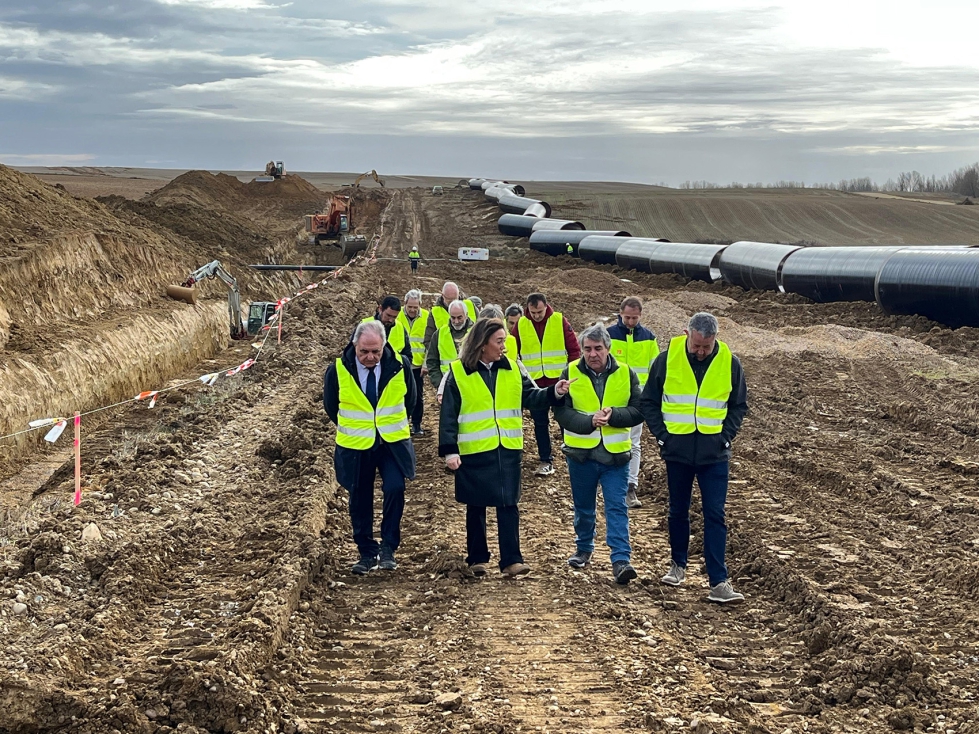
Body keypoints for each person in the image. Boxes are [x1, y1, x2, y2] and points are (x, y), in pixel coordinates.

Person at [439, 318, 572, 576]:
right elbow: (448, 415)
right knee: (475, 506)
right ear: (482, 343)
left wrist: (554, 392)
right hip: (473, 449)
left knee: (508, 503)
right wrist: (449, 450)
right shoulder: (457, 372)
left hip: (507, 447)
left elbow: (530, 397)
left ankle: (512, 561)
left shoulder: (513, 368)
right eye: (499, 341)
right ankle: (477, 560)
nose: (504, 347)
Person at [640, 312, 748, 604]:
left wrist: (726, 436)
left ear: (715, 339)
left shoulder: (730, 362)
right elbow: (648, 400)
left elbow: (739, 405)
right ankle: (678, 565)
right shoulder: (666, 359)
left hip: (715, 454)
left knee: (715, 514)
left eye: (706, 347)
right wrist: (663, 435)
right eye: (697, 345)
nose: (701, 351)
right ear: (686, 334)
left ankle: (718, 581)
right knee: (678, 510)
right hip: (678, 450)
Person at [554, 323, 645, 584]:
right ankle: (583, 548)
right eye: (587, 349)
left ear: (608, 348)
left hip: (615, 457)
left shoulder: (626, 374)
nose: (592, 354)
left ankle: (620, 559)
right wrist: (588, 422)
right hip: (581, 455)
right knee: (584, 507)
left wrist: (614, 415)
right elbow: (561, 411)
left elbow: (638, 410)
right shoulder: (570, 372)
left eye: (598, 349)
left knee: (617, 507)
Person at [324, 320, 416, 575]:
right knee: (359, 497)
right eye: (364, 351)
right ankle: (366, 552)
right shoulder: (339, 369)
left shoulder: (399, 366)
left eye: (376, 351)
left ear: (384, 345)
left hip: (392, 443)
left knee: (395, 488)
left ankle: (388, 548)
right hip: (356, 445)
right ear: (355, 345)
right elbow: (332, 406)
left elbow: (411, 400)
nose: (370, 357)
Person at [512, 292, 581, 476]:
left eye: (539, 312)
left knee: (565, 420)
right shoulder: (521, 324)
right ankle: (545, 460)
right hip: (535, 385)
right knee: (540, 423)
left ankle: (572, 456)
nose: (536, 316)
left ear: (546, 307)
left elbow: (574, 350)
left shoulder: (559, 320)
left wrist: (570, 374)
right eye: (533, 312)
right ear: (527, 309)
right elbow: (512, 352)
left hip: (559, 382)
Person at [607, 296, 660, 509]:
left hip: (638, 399)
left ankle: (630, 486)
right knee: (612, 439)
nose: (630, 322)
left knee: (634, 442)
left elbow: (655, 369)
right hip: (614, 397)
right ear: (620, 313)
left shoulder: (648, 338)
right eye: (627, 317)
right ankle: (611, 484)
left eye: (634, 318)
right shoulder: (609, 336)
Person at [396, 289, 429, 435]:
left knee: (417, 396)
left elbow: (430, 343)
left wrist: (426, 363)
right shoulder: (397, 317)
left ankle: (416, 424)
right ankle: (402, 423)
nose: (412, 310)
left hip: (417, 366)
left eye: (415, 307)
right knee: (399, 395)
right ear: (405, 304)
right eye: (410, 307)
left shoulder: (427, 317)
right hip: (399, 364)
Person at [426, 300, 474, 394]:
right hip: (447, 387)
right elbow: (432, 362)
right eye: (453, 317)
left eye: (459, 317)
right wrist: (439, 384)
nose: (456, 321)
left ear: (466, 315)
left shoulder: (476, 333)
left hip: (471, 386)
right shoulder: (439, 334)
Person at [424, 282, 478, 352]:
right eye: (450, 301)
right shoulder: (435, 312)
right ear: (443, 296)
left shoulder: (470, 306)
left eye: (455, 299)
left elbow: (482, 331)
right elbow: (428, 341)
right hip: (446, 360)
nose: (453, 303)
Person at [359, 295, 411, 362]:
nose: (391, 320)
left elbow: (407, 355)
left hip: (393, 370)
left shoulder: (400, 327)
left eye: (394, 317)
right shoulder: (364, 324)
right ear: (380, 309)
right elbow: (353, 351)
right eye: (388, 315)